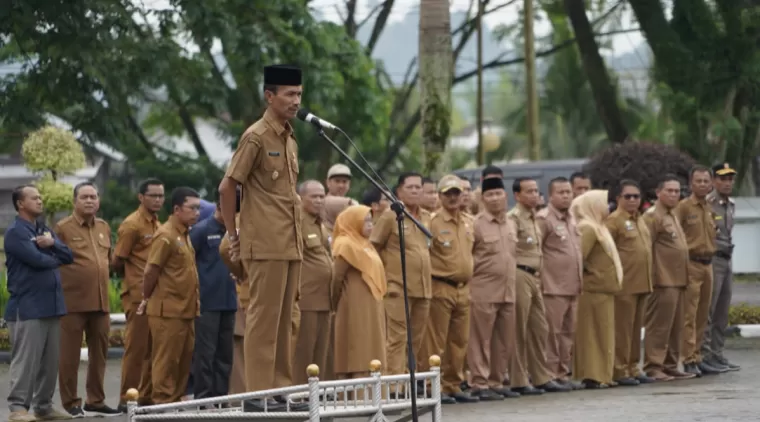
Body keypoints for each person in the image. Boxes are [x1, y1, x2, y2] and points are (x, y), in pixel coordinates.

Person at [217, 64, 305, 412]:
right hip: (264, 242)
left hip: (289, 240)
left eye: (299, 94)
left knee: (286, 320)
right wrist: (232, 234)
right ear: (270, 96)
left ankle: (280, 392)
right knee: (264, 318)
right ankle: (256, 393)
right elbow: (228, 186)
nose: (296, 101)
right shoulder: (256, 136)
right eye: (289, 94)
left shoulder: (289, 135)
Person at [5, 185, 74, 422]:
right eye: (34, 198)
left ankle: (43, 407)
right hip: (28, 307)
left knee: (49, 362)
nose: (40, 201)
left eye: (40, 197)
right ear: (20, 204)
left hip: (52, 305)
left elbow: (69, 256)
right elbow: (37, 261)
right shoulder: (16, 232)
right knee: (26, 361)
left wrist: (52, 244)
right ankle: (18, 408)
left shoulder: (43, 229)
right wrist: (52, 253)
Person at [54, 182, 121, 416]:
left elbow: (108, 260)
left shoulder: (103, 226)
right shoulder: (63, 228)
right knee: (69, 357)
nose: (90, 200)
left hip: (101, 303)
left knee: (100, 355)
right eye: (84, 197)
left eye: (93, 196)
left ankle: (96, 400)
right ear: (75, 201)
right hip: (72, 302)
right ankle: (71, 402)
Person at [136, 187, 201, 404]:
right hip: (168, 311)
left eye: (198, 208)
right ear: (176, 209)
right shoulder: (165, 235)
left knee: (182, 362)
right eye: (192, 208)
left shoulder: (184, 233)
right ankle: (162, 405)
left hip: (186, 310)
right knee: (166, 362)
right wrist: (146, 297)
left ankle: (172, 402)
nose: (197, 213)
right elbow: (150, 271)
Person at [507, 178, 569, 395]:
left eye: (536, 190)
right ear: (517, 195)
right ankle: (519, 379)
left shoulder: (535, 217)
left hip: (534, 277)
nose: (535, 194)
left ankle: (541, 376)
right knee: (519, 329)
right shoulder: (513, 218)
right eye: (529, 191)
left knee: (539, 328)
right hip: (519, 274)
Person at [419, 175, 477, 404]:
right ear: (440, 197)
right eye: (448, 194)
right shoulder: (432, 223)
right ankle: (434, 387)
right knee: (436, 341)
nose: (453, 198)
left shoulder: (468, 221)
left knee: (460, 341)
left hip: (463, 289)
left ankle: (453, 384)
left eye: (457, 193)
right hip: (441, 287)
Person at [370, 172, 432, 388]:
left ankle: (407, 384)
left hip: (423, 289)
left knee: (415, 341)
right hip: (397, 288)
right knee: (396, 340)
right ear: (399, 191)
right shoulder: (390, 216)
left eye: (419, 187)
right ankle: (393, 387)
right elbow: (373, 248)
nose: (415, 191)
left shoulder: (426, 217)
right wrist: (383, 278)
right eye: (411, 187)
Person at [112, 178, 164, 410]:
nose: (158, 200)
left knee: (153, 348)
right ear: (141, 197)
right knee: (136, 349)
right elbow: (117, 260)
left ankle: (145, 396)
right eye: (153, 195)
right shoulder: (132, 225)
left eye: (161, 196)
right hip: (137, 296)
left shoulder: (157, 223)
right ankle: (127, 399)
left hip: (156, 294)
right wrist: (135, 280)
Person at [467, 177, 520, 401]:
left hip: (508, 290)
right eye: (490, 195)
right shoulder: (475, 224)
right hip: (483, 290)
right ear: (483, 198)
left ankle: (497, 380)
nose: (495, 198)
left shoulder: (511, 223)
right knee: (480, 339)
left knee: (503, 339)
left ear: (505, 196)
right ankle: (480, 382)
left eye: (499, 193)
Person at [330, 205, 387, 398]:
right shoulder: (345, 243)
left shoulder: (365, 243)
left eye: (372, 221)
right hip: (353, 304)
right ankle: (356, 395)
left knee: (371, 345)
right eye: (366, 221)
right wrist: (335, 302)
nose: (371, 225)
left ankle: (374, 394)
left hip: (370, 304)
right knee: (357, 346)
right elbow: (336, 277)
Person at [674, 165, 725, 376]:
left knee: (704, 314)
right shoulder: (684, 207)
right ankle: (688, 359)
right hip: (692, 264)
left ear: (711, 183)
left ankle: (698, 355)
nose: (703, 185)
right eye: (699, 181)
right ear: (690, 183)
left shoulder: (710, 207)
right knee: (690, 314)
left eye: (706, 181)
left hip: (708, 264)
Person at [642, 175, 693, 381]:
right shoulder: (652, 216)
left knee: (675, 326)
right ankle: (653, 366)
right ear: (658, 193)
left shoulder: (673, 215)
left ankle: (670, 364)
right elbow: (647, 249)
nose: (674, 194)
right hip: (662, 279)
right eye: (669, 191)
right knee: (659, 326)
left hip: (679, 279)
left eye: (677, 191)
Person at [571, 190, 623, 389]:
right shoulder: (588, 228)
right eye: (602, 202)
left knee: (604, 334)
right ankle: (592, 375)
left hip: (604, 290)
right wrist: (593, 275)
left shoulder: (598, 226)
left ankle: (603, 374)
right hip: (593, 290)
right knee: (592, 335)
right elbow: (579, 259)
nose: (607, 206)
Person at [605, 180, 655, 386]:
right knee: (622, 331)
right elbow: (608, 254)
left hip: (642, 283)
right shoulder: (613, 221)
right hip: (624, 284)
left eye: (636, 196)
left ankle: (634, 366)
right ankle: (619, 369)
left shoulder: (640, 220)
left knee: (636, 331)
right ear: (618, 199)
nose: (633, 200)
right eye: (628, 196)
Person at [189, 199, 238, 401]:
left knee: (225, 354)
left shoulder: (235, 232)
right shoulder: (201, 230)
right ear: (220, 207)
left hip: (229, 300)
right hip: (207, 301)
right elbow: (188, 263)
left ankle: (221, 397)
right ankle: (203, 398)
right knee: (205, 354)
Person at [536, 177, 582, 385]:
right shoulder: (544, 219)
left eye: (568, 192)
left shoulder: (572, 219)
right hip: (553, 287)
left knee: (568, 333)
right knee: (551, 334)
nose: (566, 196)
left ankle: (563, 372)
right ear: (550, 196)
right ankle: (549, 373)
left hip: (573, 286)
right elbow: (537, 251)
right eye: (561, 192)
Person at [293, 181, 334, 384]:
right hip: (306, 298)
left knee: (320, 352)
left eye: (321, 196)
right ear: (301, 198)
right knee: (303, 351)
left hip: (325, 298)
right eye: (314, 196)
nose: (319, 200)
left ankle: (316, 395)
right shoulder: (297, 221)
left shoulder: (320, 223)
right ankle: (298, 393)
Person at [701, 163, 740, 371]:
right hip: (713, 259)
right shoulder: (708, 203)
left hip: (727, 259)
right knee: (709, 307)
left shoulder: (730, 204)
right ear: (714, 181)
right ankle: (705, 355)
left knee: (722, 310)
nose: (727, 183)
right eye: (723, 179)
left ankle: (717, 353)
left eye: (730, 179)